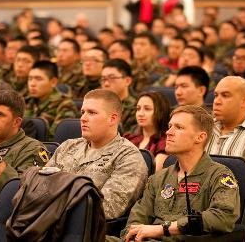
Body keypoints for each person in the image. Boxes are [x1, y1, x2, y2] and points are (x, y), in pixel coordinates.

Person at [107, 105, 240, 242]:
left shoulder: (219, 176)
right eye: (170, 126)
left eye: (179, 127)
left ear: (200, 137)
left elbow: (224, 216)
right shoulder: (158, 178)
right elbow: (135, 222)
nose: (169, 132)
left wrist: (164, 228)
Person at [46, 89, 147, 219]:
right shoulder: (68, 146)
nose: (83, 118)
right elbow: (41, 187)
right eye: (82, 112)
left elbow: (107, 208)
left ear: (112, 119)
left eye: (92, 113)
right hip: (48, 221)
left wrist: (55, 201)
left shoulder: (128, 157)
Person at [25, 61, 78, 139]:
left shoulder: (65, 104)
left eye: (38, 79)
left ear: (53, 82)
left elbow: (57, 139)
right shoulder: (25, 101)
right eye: (30, 79)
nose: (32, 84)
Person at [124, 92, 171, 172]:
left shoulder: (165, 143)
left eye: (147, 109)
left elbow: (153, 173)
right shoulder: (129, 139)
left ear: (160, 112)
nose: (140, 114)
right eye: (138, 109)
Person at [101, 59, 137, 133]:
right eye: (103, 79)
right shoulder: (96, 106)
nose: (106, 83)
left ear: (127, 81)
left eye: (112, 78)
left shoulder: (137, 108)